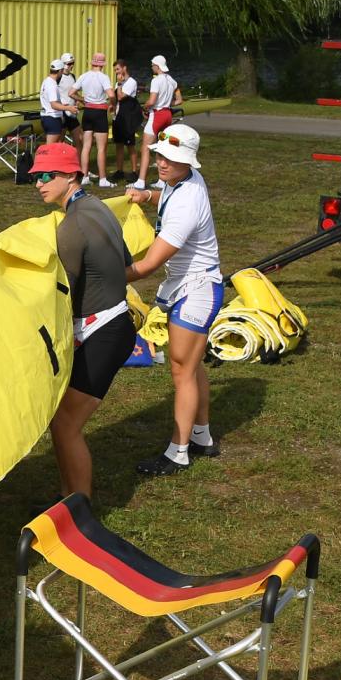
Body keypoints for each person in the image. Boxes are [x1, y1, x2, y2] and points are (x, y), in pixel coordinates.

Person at [32, 143, 136, 501]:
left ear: (71, 176)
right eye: (36, 176)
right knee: (62, 420)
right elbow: (125, 263)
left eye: (48, 176)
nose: (39, 183)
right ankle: (69, 498)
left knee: (65, 424)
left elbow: (63, 297)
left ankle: (79, 507)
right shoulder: (100, 208)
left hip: (103, 333)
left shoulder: (71, 227)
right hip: (114, 322)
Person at [125, 124, 222, 476]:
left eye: (171, 159)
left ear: (189, 162)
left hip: (197, 289)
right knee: (190, 367)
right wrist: (147, 196)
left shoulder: (186, 203)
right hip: (189, 286)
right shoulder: (181, 179)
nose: (162, 164)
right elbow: (164, 195)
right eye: (160, 156)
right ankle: (202, 437)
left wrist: (104, 277)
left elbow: (148, 265)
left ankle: (178, 453)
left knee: (182, 370)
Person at [133, 55, 183, 190]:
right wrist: (167, 103)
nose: (151, 67)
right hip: (167, 115)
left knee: (145, 148)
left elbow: (152, 101)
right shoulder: (172, 80)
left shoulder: (156, 81)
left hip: (157, 115)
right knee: (162, 147)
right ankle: (162, 181)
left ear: (157, 66)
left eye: (152, 65)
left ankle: (141, 181)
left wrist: (144, 107)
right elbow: (179, 100)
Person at [73, 53, 114, 187]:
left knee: (86, 146)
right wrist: (112, 104)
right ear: (103, 64)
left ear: (92, 63)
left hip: (88, 111)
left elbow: (71, 92)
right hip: (100, 111)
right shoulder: (103, 77)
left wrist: (82, 100)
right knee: (101, 148)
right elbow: (111, 94)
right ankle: (103, 179)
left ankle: (84, 176)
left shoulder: (84, 76)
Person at [110, 59, 143, 182]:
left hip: (128, 118)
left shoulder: (131, 82)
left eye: (118, 69)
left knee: (130, 145)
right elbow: (115, 98)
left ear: (124, 68)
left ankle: (134, 171)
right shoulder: (118, 83)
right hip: (118, 117)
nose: (116, 72)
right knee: (118, 144)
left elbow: (121, 96)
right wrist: (112, 105)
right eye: (115, 70)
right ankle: (119, 171)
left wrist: (119, 84)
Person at [38, 60, 77, 144]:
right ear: (59, 71)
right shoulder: (52, 85)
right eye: (62, 71)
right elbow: (54, 105)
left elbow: (50, 101)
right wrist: (69, 108)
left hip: (46, 117)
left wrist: (62, 105)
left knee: (52, 147)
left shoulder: (46, 81)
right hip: (52, 118)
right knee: (51, 148)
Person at [58, 52, 83, 146]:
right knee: (59, 142)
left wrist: (78, 101)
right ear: (63, 64)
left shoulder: (72, 76)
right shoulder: (58, 77)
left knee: (80, 139)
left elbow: (74, 92)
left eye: (73, 63)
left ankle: (78, 156)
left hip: (72, 113)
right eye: (69, 64)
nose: (72, 65)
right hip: (62, 113)